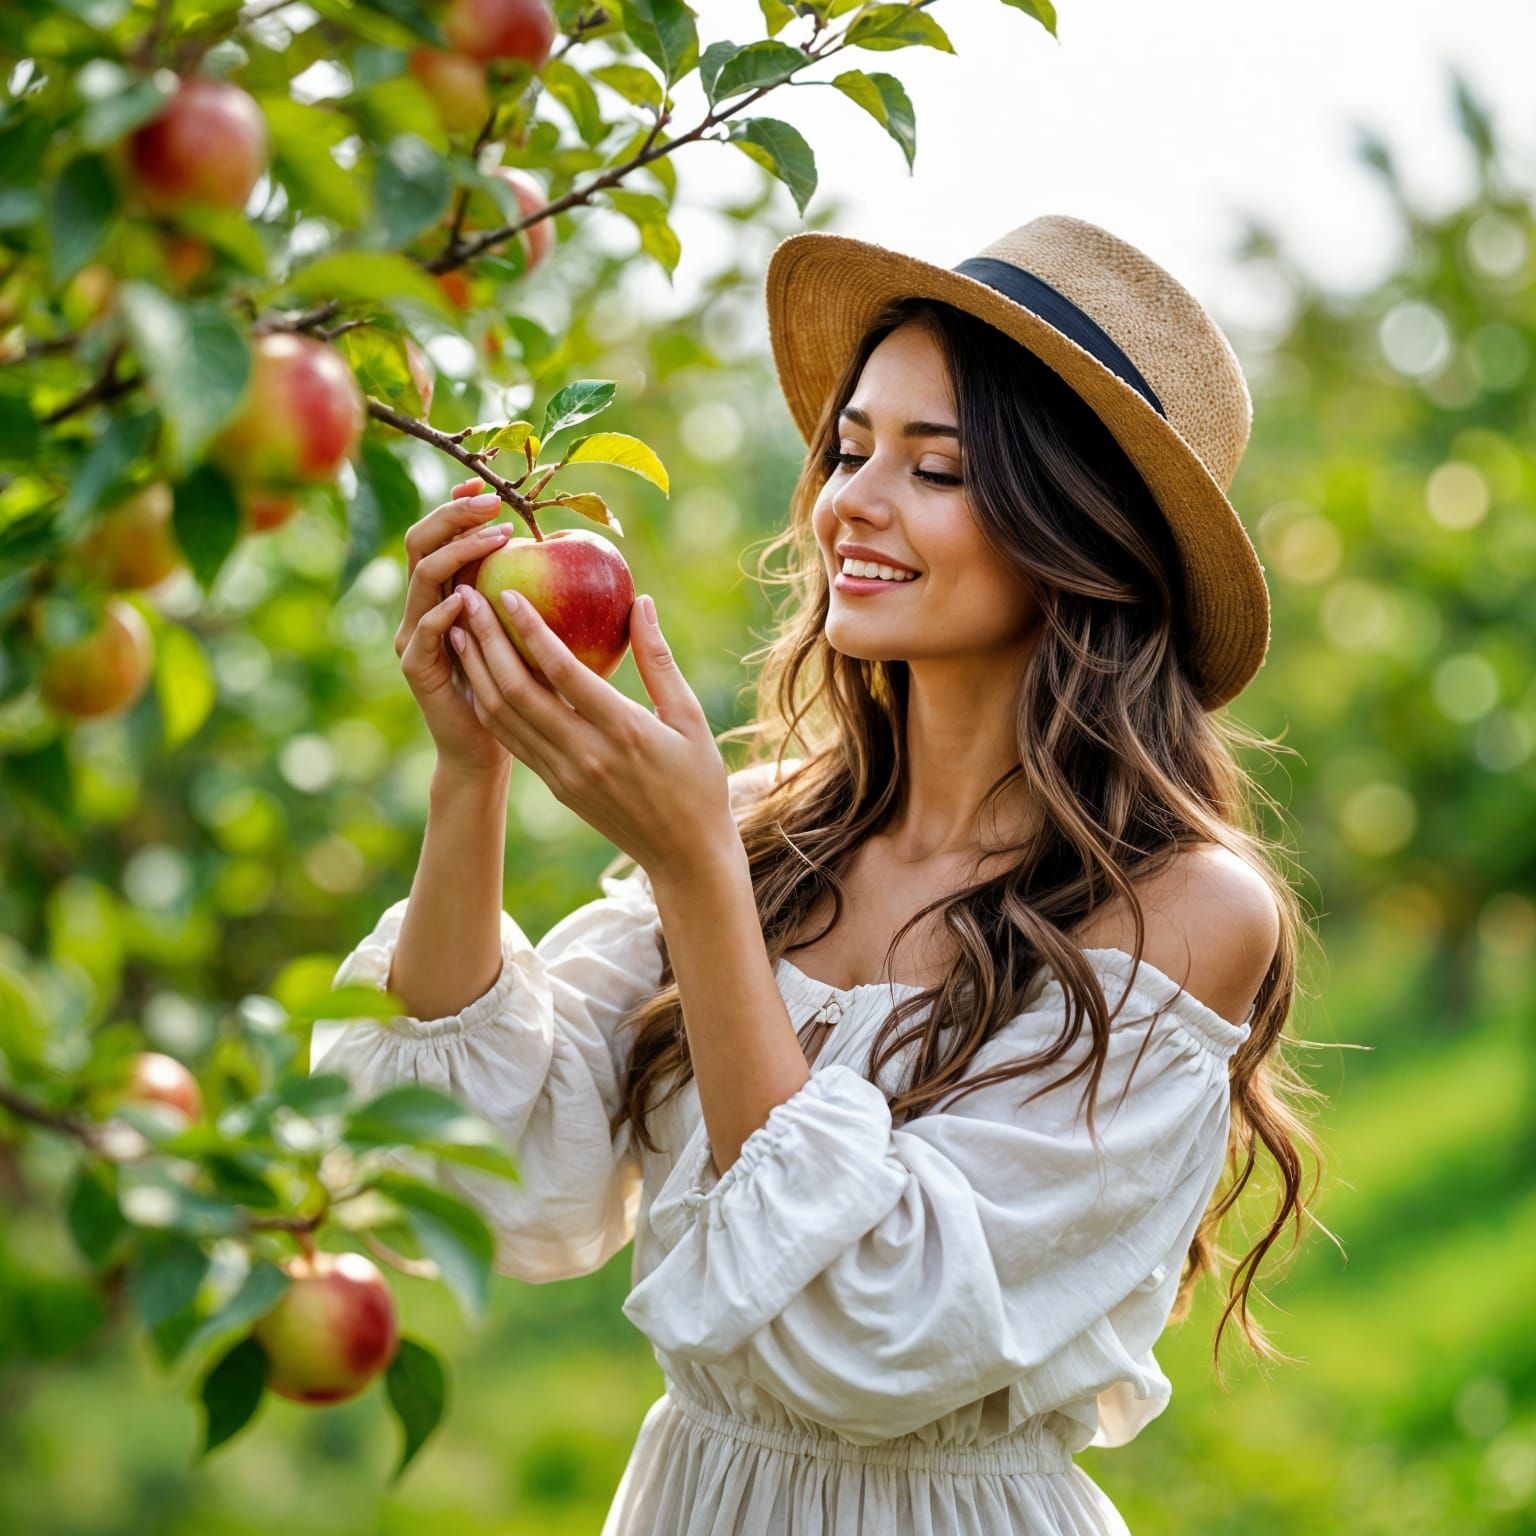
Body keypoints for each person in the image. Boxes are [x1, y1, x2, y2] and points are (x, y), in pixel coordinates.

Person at [310, 214, 1323, 1535]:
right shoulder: (764, 833)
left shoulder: (1180, 912)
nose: (852, 500)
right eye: (850, 449)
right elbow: (485, 1177)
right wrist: (470, 777)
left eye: (938, 467)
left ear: (1080, 533)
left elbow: (876, 1332)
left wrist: (695, 878)